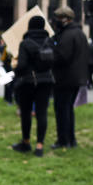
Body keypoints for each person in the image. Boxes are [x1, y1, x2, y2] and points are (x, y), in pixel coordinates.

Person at [11, 16, 54, 157]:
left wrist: (15, 69)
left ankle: (26, 142)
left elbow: (22, 65)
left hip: (28, 82)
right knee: (42, 113)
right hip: (46, 81)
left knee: (26, 113)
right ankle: (40, 145)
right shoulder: (50, 42)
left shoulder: (25, 43)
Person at [50, 6, 89, 149]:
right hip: (76, 78)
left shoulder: (67, 35)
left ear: (65, 19)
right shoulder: (79, 33)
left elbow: (61, 57)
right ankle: (71, 140)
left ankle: (63, 140)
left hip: (65, 78)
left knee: (62, 110)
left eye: (58, 18)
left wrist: (52, 51)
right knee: (68, 110)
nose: (56, 21)